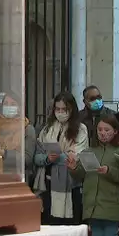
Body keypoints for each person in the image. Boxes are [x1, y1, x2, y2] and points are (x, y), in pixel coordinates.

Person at [67, 115, 119, 236]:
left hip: (111, 203)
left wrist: (109, 171)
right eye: (100, 129)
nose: (103, 133)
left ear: (115, 131)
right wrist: (73, 168)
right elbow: (81, 175)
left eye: (107, 129)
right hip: (92, 204)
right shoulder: (89, 151)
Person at [32, 91, 89, 225]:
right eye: (58, 109)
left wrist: (58, 157)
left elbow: (78, 156)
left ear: (72, 110)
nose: (60, 112)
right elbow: (37, 157)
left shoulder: (81, 129)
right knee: (50, 225)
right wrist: (47, 158)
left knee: (69, 227)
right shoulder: (47, 129)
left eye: (64, 109)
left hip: (71, 185)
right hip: (49, 185)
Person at [0, 93, 37, 183]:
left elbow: (27, 159)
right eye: (6, 104)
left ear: (19, 107)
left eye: (13, 104)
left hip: (18, 179)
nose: (9, 107)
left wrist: (5, 153)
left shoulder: (27, 129)